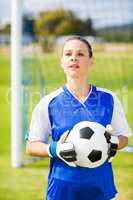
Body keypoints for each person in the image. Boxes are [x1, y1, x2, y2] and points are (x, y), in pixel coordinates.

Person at [26, 36, 132, 200]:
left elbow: (124, 137)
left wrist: (116, 143)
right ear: (62, 62)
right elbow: (31, 146)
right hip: (62, 190)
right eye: (68, 54)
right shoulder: (48, 103)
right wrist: (54, 149)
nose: (73, 58)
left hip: (101, 189)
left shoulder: (109, 99)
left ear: (91, 61)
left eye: (80, 54)